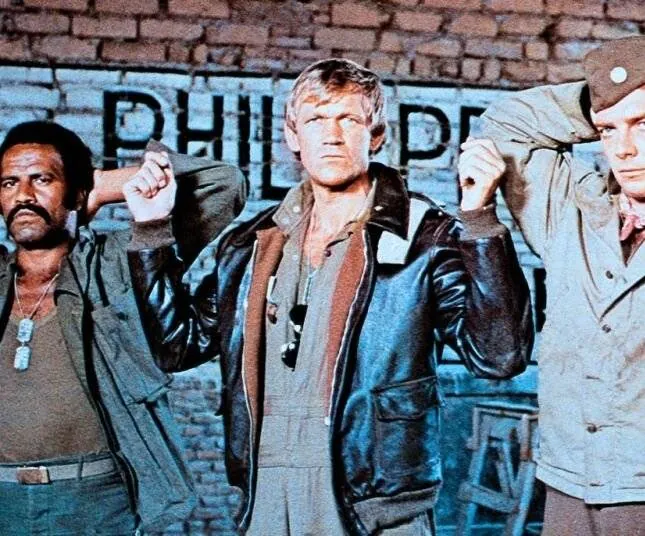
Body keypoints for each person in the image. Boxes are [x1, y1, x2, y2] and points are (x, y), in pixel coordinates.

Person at [125, 59, 532, 535]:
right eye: (316, 119)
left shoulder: (426, 236)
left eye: (349, 119)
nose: (332, 135)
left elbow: (499, 357)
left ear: (375, 135)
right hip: (266, 494)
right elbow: (177, 346)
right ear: (293, 136)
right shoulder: (251, 244)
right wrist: (151, 231)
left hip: (375, 503)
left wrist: (480, 219)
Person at [0, 121, 245, 535]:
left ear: (76, 192)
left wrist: (96, 187)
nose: (23, 195)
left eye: (42, 179)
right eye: (9, 183)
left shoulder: (116, 263)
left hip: (95, 499)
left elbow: (223, 183)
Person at [459, 36, 645, 536]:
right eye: (608, 130)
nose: (624, 149)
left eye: (643, 125)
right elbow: (505, 125)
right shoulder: (574, 211)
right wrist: (608, 96)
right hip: (568, 483)